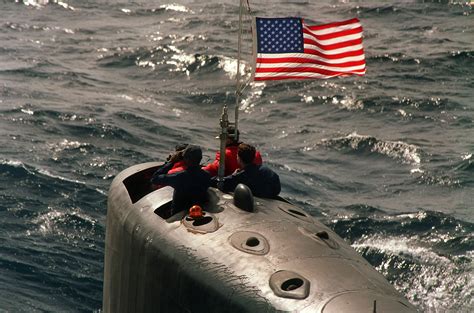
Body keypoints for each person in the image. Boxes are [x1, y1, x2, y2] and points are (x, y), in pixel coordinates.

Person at [151, 145, 211, 214]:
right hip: (197, 210)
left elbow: (154, 179)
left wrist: (171, 162)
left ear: (186, 159)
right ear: (200, 158)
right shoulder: (207, 175)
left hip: (178, 214)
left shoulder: (179, 177)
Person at [212, 143, 281, 198]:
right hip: (273, 193)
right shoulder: (265, 170)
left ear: (239, 158)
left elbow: (220, 182)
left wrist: (233, 175)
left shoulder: (242, 176)